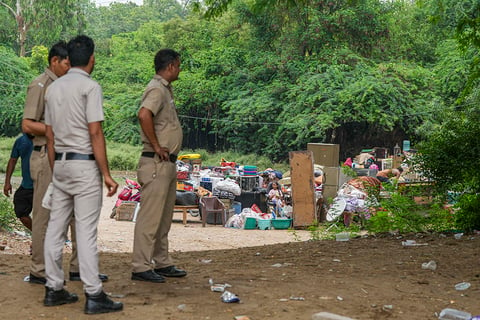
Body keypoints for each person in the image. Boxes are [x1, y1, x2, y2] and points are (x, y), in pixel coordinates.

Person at [42, 35, 122, 314]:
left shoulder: (53, 89)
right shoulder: (91, 87)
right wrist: (107, 174)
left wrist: (56, 173)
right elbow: (95, 132)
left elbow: (49, 136)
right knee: (86, 231)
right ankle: (93, 293)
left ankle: (53, 288)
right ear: (91, 59)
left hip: (61, 164)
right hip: (84, 164)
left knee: (55, 228)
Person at [21, 41, 91, 285]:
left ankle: (77, 269)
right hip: (46, 157)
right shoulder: (41, 85)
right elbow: (28, 124)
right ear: (54, 61)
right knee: (45, 215)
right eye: (67, 64)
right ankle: (40, 270)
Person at [131, 48, 187, 283]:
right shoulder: (156, 88)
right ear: (172, 65)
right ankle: (140, 265)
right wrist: (156, 145)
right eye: (179, 65)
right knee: (150, 217)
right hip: (156, 162)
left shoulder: (165, 89)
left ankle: (161, 261)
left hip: (166, 163)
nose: (180, 69)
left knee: (163, 217)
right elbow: (144, 114)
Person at [3, 133, 34, 231]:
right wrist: (7, 182)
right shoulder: (21, 141)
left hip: (44, 185)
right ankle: (40, 236)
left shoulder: (47, 139)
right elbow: (12, 160)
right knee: (21, 212)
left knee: (45, 215)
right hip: (27, 185)